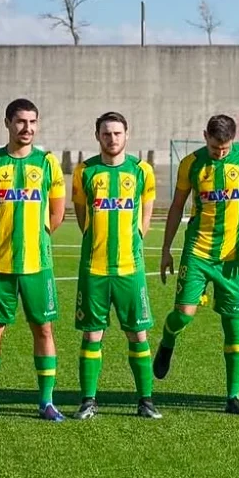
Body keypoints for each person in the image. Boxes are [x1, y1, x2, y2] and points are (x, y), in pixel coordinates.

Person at [155, 114, 239, 416]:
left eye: (224, 148)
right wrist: (166, 249)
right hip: (198, 253)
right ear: (204, 135)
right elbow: (177, 206)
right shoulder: (191, 164)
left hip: (232, 258)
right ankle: (168, 340)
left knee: (234, 326)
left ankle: (233, 397)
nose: (219, 152)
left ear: (234, 139)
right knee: (183, 315)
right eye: (214, 146)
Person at [0, 98, 67, 422]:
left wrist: (37, 239)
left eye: (33, 122)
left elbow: (57, 212)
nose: (28, 128)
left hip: (38, 265)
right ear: (7, 123)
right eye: (21, 122)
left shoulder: (48, 163)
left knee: (44, 330)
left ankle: (47, 402)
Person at [71, 112, 161, 420]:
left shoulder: (141, 171)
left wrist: (137, 234)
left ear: (127, 135)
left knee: (138, 335)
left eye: (117, 133)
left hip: (129, 269)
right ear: (97, 136)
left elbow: (147, 210)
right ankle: (88, 401)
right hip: (94, 269)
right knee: (92, 335)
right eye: (107, 134)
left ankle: (146, 401)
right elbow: (82, 215)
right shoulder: (85, 171)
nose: (112, 139)